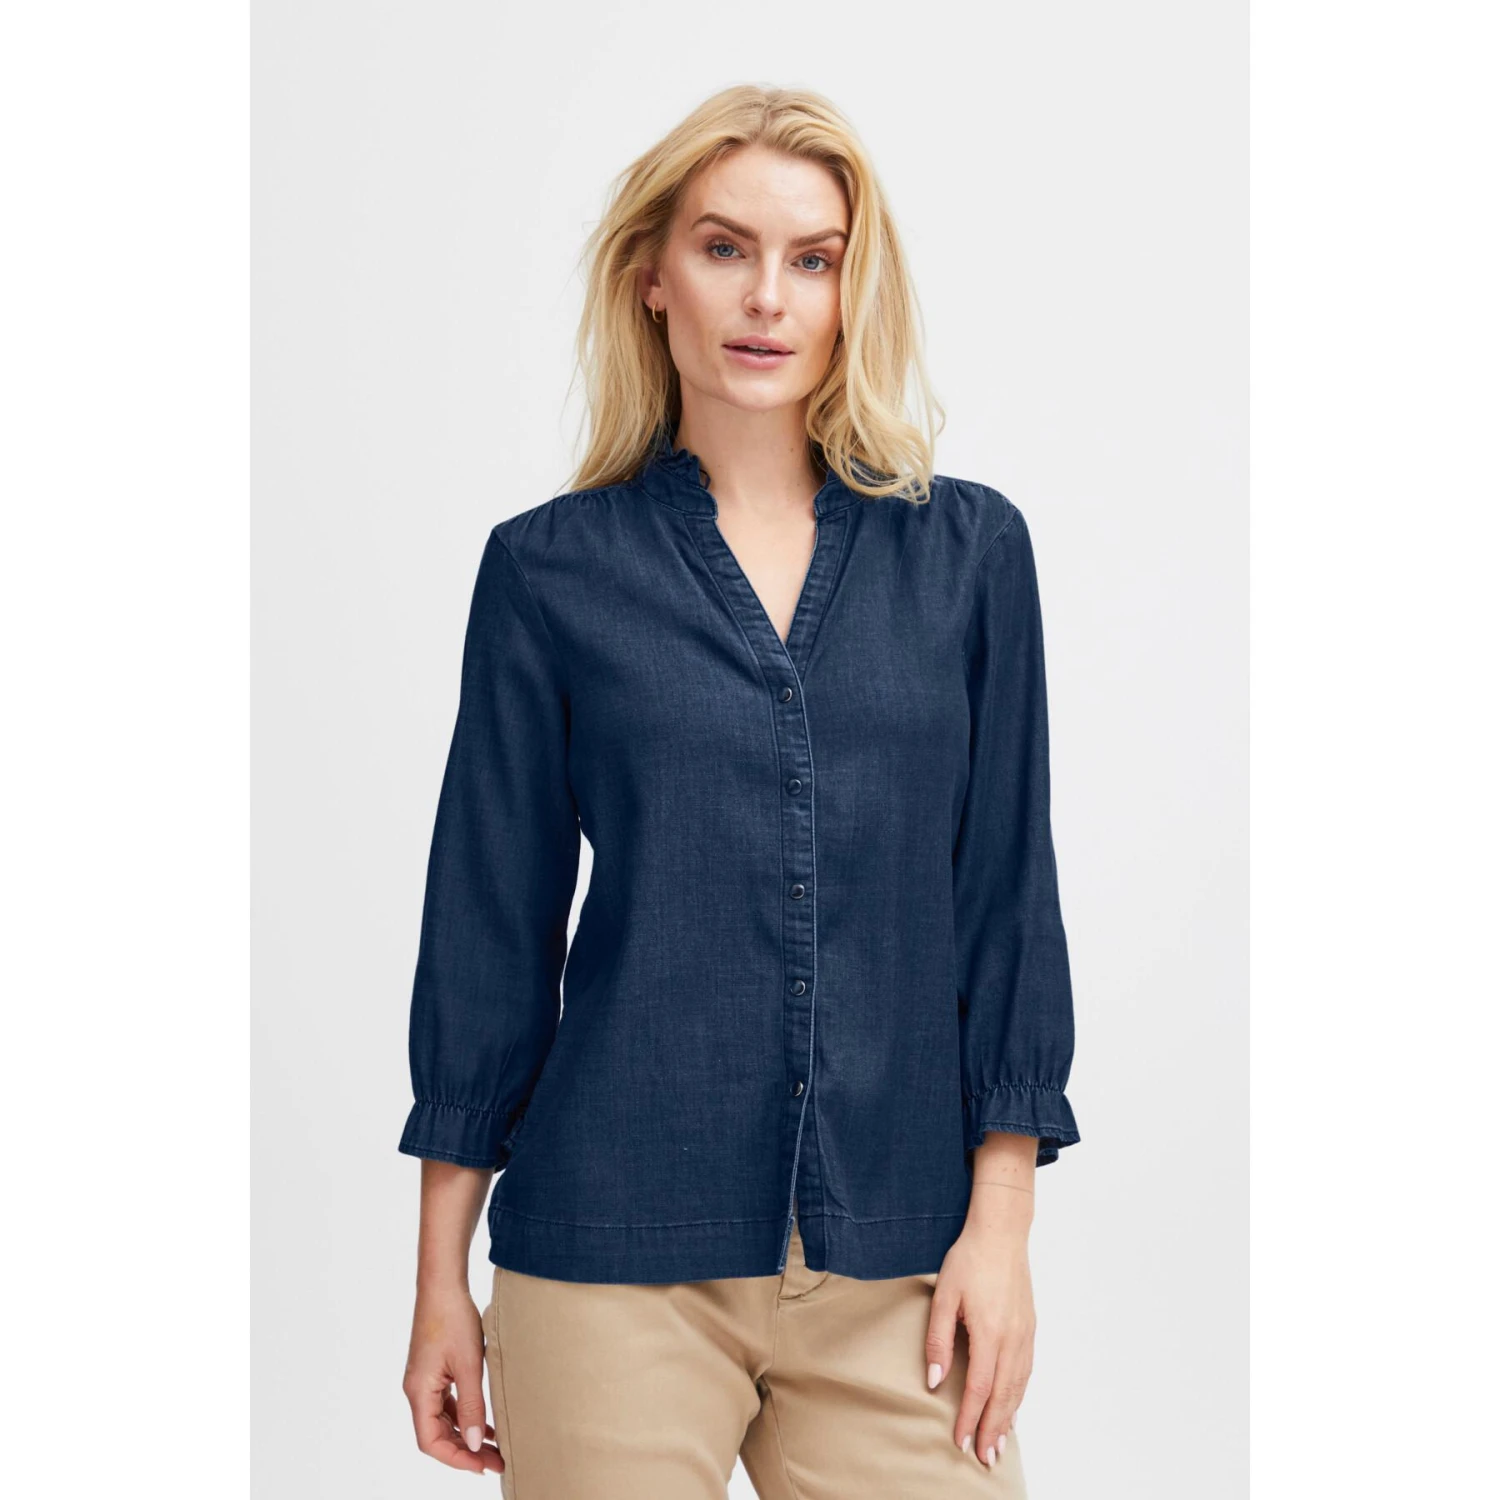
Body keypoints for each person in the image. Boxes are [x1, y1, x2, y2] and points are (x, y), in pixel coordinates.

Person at [398, 83, 1080, 1499]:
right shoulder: (549, 573)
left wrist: (1002, 1226)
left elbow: (1006, 899)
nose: (768, 297)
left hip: (903, 1261)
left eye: (812, 259)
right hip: (608, 1260)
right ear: (653, 275)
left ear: (849, 292)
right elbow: (489, 934)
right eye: (725, 248)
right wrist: (440, 1282)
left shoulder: (967, 557)